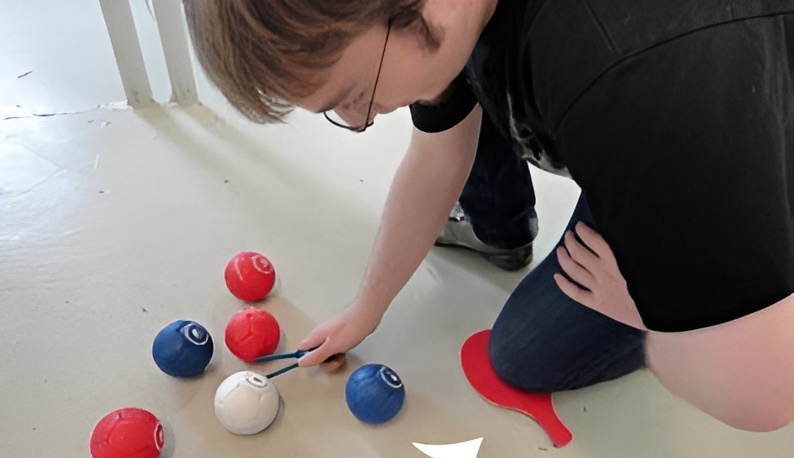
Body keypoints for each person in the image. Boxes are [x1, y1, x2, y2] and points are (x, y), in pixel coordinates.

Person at [183, 0, 794, 432]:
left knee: (527, 355)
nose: (363, 115)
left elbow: (764, 392)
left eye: (354, 96)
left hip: (744, 127)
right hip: (684, 113)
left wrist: (649, 312)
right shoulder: (445, 21)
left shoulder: (636, 82)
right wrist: (366, 308)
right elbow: (437, 152)